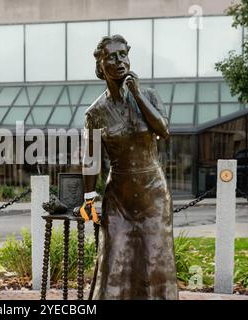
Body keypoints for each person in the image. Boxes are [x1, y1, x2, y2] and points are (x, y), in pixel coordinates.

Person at [80, 34, 178, 300]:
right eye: (111, 56)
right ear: (101, 66)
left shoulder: (148, 96)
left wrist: (136, 94)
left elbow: (163, 130)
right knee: (114, 260)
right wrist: (89, 199)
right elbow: (91, 159)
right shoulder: (95, 112)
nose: (119, 61)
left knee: (154, 261)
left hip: (153, 195)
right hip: (119, 199)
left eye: (123, 54)